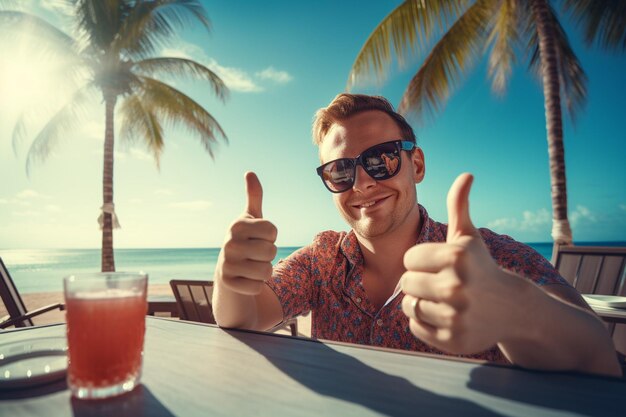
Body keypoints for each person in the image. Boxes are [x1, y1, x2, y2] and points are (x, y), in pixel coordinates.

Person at [212, 93, 621, 377]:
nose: (362, 184)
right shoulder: (321, 260)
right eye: (341, 171)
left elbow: (599, 359)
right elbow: (245, 316)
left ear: (417, 164)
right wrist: (229, 277)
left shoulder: (489, 257)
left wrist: (517, 312)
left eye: (382, 159)